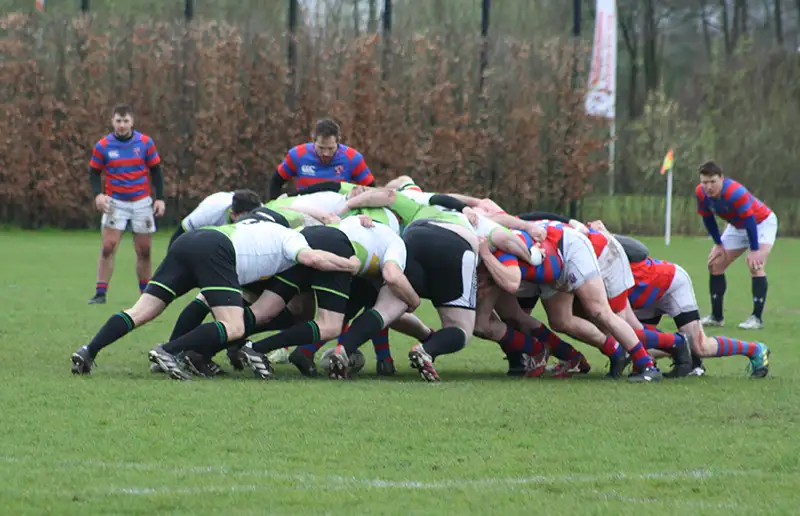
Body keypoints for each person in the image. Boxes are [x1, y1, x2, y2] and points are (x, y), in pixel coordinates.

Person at [71, 215, 358, 376]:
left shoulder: (260, 229)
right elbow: (312, 259)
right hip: (217, 250)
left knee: (143, 309)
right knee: (235, 326)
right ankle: (168, 352)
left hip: (192, 241)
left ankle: (88, 351)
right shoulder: (291, 239)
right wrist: (349, 264)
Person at [88, 104, 165, 304]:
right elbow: (94, 172)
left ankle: (145, 295)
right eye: (118, 121)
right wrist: (98, 195)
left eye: (126, 121)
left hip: (141, 203)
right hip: (115, 202)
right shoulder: (103, 145)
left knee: (144, 250)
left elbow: (156, 171)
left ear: (132, 122)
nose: (122, 125)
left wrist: (160, 198)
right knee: (108, 246)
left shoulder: (145, 143)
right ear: (112, 121)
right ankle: (100, 293)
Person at [696, 161, 777, 329]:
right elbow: (708, 218)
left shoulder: (735, 192)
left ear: (722, 179)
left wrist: (755, 250)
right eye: (705, 182)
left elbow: (750, 220)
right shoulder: (701, 193)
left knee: (755, 265)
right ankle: (716, 317)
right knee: (715, 264)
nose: (708, 186)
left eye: (713, 181)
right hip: (737, 226)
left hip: (761, 223)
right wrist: (718, 243)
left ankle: (756, 319)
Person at [267, 118, 375, 200]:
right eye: (321, 148)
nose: (326, 153)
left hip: (339, 212)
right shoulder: (297, 155)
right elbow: (276, 181)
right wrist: (273, 205)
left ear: (338, 142)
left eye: (330, 148)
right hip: (304, 210)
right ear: (313, 141)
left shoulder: (353, 158)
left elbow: (371, 188)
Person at [167, 190, 262, 248]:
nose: (251, 222)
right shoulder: (208, 212)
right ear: (233, 215)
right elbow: (181, 233)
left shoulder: (262, 215)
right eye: (247, 218)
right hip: (204, 237)